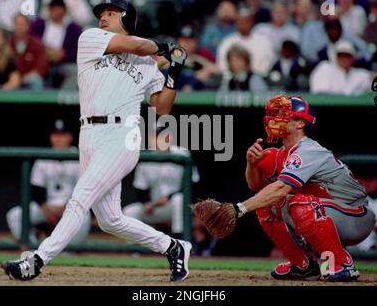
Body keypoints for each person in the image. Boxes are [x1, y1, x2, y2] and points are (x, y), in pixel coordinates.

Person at [2, 0, 191, 282]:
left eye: (113, 13)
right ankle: (173, 247)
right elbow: (138, 45)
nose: (104, 17)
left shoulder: (146, 65)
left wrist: (174, 71)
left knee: (80, 198)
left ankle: (36, 260)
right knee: (109, 220)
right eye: (103, 13)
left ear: (127, 19)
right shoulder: (91, 38)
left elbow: (161, 107)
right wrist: (165, 47)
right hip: (88, 135)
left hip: (121, 136)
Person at [229, 94, 376, 281]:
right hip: (330, 211)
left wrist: (239, 208)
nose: (275, 118)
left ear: (300, 123)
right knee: (265, 204)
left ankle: (341, 263)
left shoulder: (308, 150)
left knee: (299, 203)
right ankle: (302, 265)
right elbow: (256, 186)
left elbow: (281, 188)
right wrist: (251, 164)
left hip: (356, 216)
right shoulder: (281, 153)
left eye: (283, 114)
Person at [6, 119, 91, 249]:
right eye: (56, 135)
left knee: (84, 217)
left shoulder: (80, 157)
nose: (59, 139)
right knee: (15, 215)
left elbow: (84, 189)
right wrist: (46, 208)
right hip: (46, 208)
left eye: (62, 135)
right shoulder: (43, 158)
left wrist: (64, 208)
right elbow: (36, 190)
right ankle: (35, 247)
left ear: (70, 137)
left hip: (72, 207)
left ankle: (70, 251)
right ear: (51, 137)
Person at [123, 127, 200, 237]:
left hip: (177, 207)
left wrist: (169, 197)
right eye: (156, 136)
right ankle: (136, 250)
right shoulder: (147, 156)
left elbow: (194, 184)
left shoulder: (182, 154)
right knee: (130, 212)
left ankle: (178, 241)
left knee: (179, 199)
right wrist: (146, 203)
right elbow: (140, 187)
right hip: (154, 207)